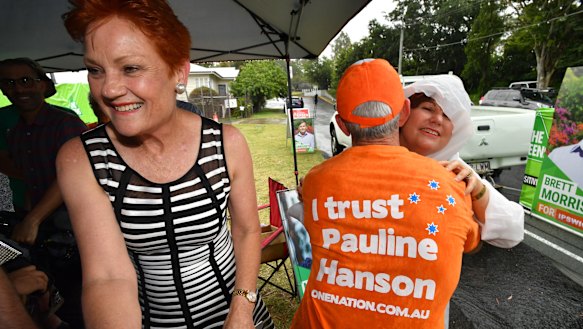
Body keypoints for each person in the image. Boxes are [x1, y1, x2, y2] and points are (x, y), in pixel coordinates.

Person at [59, 1, 273, 328]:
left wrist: (242, 309)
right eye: (95, 69)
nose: (109, 89)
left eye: (130, 68)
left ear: (178, 72)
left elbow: (245, 230)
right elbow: (107, 277)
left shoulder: (226, 144)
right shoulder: (81, 160)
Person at [290, 58, 480, 328]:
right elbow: (472, 243)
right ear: (403, 113)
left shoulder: (316, 181)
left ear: (342, 125)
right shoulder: (451, 185)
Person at [0, 57, 87, 328]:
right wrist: (27, 218)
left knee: (79, 306)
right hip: (45, 239)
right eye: (9, 83)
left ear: (43, 85)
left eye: (26, 80)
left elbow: (72, 177)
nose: (19, 89)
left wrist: (32, 219)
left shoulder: (65, 124)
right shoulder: (16, 132)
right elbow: (29, 179)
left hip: (75, 235)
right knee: (50, 304)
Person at [401, 75, 524, 248]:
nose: (437, 119)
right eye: (428, 108)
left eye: (448, 116)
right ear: (404, 112)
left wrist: (478, 192)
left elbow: (512, 232)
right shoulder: (374, 155)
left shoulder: (455, 169)